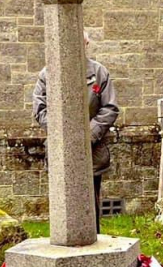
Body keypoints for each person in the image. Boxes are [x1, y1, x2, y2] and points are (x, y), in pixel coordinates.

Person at [32, 32, 118, 233]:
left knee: (89, 203)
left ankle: (91, 243)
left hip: (91, 151)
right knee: (63, 203)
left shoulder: (98, 72)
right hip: (61, 151)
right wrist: (66, 134)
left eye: (82, 43)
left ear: (86, 44)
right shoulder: (47, 74)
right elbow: (40, 109)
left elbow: (110, 107)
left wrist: (86, 135)